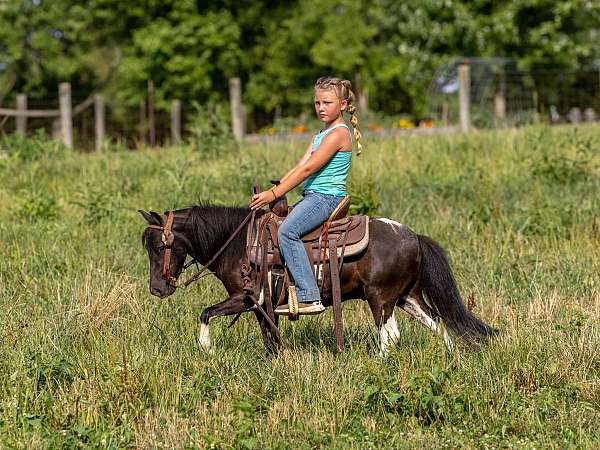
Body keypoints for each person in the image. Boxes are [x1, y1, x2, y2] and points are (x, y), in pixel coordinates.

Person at [249, 76, 363, 315]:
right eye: (317, 103)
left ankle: (309, 295)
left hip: (325, 198)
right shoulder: (320, 134)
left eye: (327, 103)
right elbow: (300, 165)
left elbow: (308, 170)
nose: (321, 108)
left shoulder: (338, 135)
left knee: (287, 232)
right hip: (312, 195)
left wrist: (273, 194)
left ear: (342, 105)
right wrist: (279, 186)